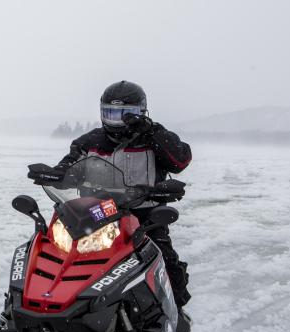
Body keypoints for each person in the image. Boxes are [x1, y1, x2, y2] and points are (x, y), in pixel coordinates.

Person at [50, 80, 192, 307]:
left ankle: (175, 306)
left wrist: (153, 131)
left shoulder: (154, 138)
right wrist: (54, 174)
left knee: (164, 260)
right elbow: (70, 166)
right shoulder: (91, 141)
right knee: (63, 253)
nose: (117, 120)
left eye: (126, 114)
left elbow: (181, 160)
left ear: (142, 111)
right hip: (97, 213)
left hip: (144, 215)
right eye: (111, 113)